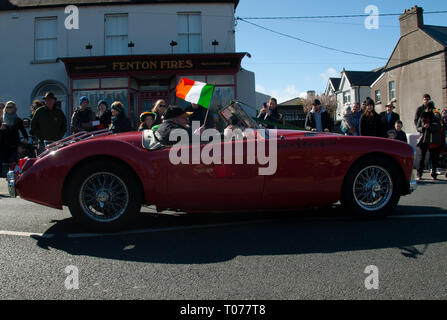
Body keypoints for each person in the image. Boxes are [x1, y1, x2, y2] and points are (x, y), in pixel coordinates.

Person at [416, 101, 442, 180]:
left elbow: (438, 126)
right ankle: (419, 173)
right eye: (429, 109)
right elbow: (418, 127)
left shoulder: (435, 116)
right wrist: (423, 128)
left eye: (431, 109)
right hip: (424, 139)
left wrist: (430, 126)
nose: (430, 110)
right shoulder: (422, 116)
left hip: (433, 140)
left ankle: (434, 174)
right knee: (422, 158)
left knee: (434, 158)